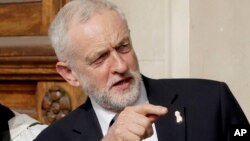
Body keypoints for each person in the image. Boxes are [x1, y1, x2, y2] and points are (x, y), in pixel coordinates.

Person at [35, 0, 249, 141]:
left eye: (123, 47)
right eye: (100, 58)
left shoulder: (211, 101)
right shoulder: (52, 139)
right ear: (69, 74)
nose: (120, 66)